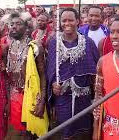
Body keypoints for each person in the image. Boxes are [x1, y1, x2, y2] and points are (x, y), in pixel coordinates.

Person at [48, 8, 99, 139]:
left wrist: (97, 96)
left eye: (70, 20)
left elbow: (96, 71)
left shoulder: (88, 42)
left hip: (84, 97)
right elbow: (51, 69)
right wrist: (54, 83)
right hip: (63, 96)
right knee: (66, 130)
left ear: (78, 21)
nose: (67, 23)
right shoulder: (54, 42)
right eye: (64, 20)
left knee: (84, 130)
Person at [4, 12, 47, 138]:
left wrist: (41, 102)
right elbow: (10, 75)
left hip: (32, 96)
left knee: (33, 131)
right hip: (14, 95)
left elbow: (43, 76)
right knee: (21, 130)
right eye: (11, 24)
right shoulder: (10, 46)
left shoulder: (35, 47)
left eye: (18, 24)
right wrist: (8, 101)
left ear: (27, 27)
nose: (14, 27)